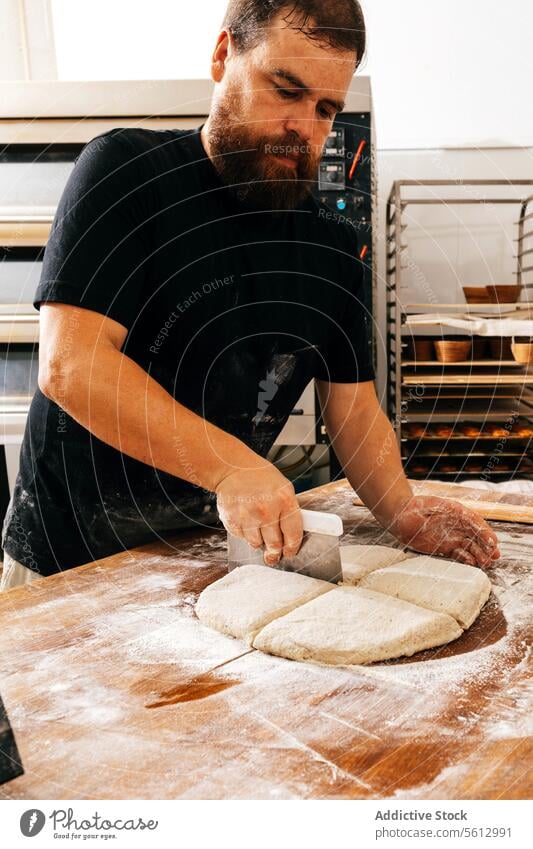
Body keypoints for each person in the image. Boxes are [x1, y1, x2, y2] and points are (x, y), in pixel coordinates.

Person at [0, 0, 500, 591]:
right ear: (222, 56)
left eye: (325, 109)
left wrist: (400, 510)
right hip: (70, 557)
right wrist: (235, 466)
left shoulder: (335, 247)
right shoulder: (127, 173)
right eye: (284, 90)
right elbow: (72, 366)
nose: (303, 127)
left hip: (209, 555)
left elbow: (354, 407)